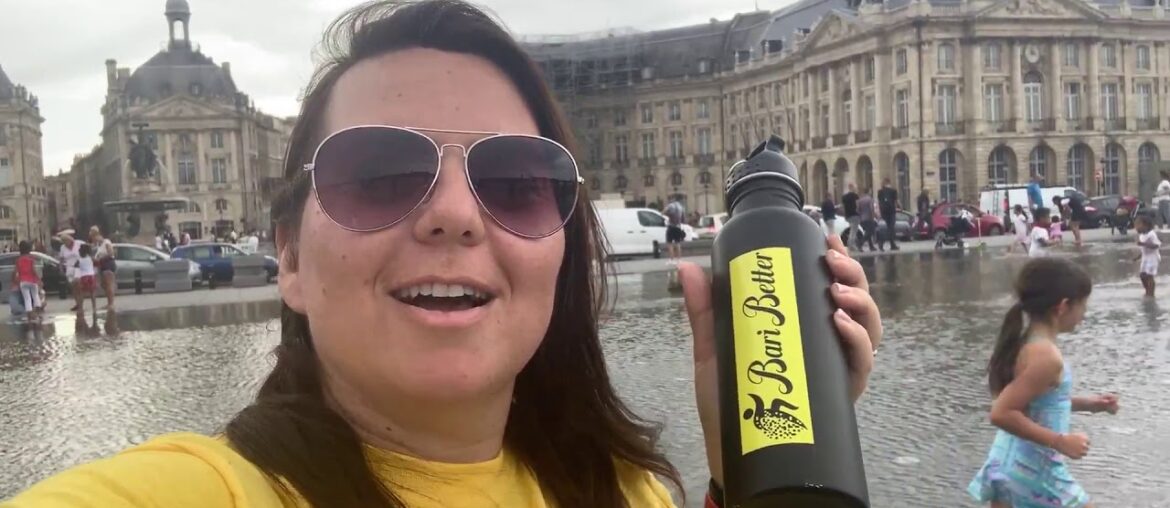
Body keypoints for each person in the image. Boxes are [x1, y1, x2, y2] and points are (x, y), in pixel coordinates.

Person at [2, 2, 883, 507]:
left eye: (518, 180)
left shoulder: (629, 492)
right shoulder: (188, 496)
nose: (457, 214)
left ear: (563, 249)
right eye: (380, 174)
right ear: (291, 260)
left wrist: (762, 459)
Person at [968, 257, 1119, 508]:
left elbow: (1038, 404)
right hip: (1033, 469)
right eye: (1083, 305)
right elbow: (1001, 413)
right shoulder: (1046, 355)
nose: (1084, 314)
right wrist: (1061, 441)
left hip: (1007, 461)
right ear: (1062, 306)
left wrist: (1089, 404)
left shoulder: (1024, 341)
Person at [12, 240, 42, 323]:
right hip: (32, 280)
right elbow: (33, 270)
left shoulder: (18, 260)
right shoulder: (31, 258)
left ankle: (29, 316)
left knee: (27, 299)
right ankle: (38, 314)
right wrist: (38, 279)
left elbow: (16, 272)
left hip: (23, 281)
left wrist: (15, 281)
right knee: (35, 296)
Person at [90, 226, 117, 310]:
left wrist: (100, 259)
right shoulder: (98, 246)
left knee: (109, 284)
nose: (94, 240)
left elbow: (111, 253)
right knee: (104, 284)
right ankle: (109, 302)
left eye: (95, 238)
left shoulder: (106, 242)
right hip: (102, 265)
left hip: (108, 264)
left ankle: (111, 303)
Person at [1135, 215, 1161, 298]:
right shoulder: (1142, 235)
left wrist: (1144, 244)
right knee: (1142, 275)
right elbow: (1143, 250)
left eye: (1139, 225)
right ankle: (1147, 290)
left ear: (1146, 225)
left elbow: (1156, 245)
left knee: (1150, 276)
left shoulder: (1151, 234)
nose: (1136, 227)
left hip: (1153, 258)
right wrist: (1138, 257)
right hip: (1145, 258)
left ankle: (1151, 293)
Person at [57, 233, 82, 312]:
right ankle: (77, 303)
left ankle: (80, 303)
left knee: (78, 284)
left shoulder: (78, 244)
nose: (65, 242)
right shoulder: (63, 248)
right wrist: (61, 268)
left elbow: (86, 249)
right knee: (73, 287)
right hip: (69, 268)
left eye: (66, 240)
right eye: (63, 241)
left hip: (78, 267)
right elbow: (61, 259)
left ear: (69, 239)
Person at [75, 244, 99, 319]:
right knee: (92, 293)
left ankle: (80, 308)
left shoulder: (79, 260)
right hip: (91, 276)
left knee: (81, 294)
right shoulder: (91, 258)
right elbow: (97, 263)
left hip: (83, 277)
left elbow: (76, 267)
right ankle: (94, 307)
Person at [876, 178, 899, 251]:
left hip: (884, 212)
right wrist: (900, 207)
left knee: (888, 228)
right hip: (891, 211)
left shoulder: (880, 191)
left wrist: (879, 212)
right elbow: (896, 201)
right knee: (891, 228)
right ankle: (883, 243)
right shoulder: (893, 191)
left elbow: (879, 202)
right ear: (889, 182)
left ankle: (892, 244)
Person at [663, 199, 686, 265]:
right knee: (678, 243)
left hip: (671, 226)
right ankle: (679, 260)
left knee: (670, 244)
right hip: (678, 227)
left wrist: (667, 215)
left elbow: (663, 212)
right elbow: (683, 219)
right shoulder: (681, 207)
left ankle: (671, 260)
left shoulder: (670, 206)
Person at [842, 183, 860, 249]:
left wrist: (845, 215)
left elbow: (843, 207)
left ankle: (851, 243)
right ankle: (851, 244)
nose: (856, 189)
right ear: (852, 187)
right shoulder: (855, 196)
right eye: (855, 187)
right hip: (854, 215)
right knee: (853, 230)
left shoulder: (844, 197)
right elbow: (857, 205)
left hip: (848, 215)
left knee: (851, 229)